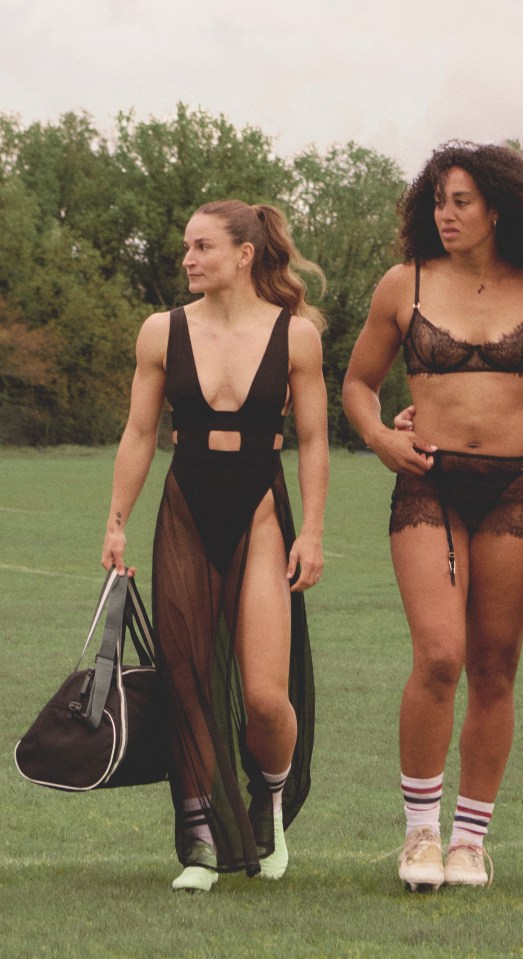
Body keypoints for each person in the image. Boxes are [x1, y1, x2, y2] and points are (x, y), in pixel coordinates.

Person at [342, 141, 523, 890]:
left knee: (495, 666)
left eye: (460, 201)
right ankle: (420, 834)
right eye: (437, 201)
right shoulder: (404, 282)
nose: (444, 214)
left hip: (516, 485)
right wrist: (382, 439)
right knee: (440, 654)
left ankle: (469, 841)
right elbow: (357, 382)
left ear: (497, 208)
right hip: (428, 482)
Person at [101, 200, 329, 892]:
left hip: (262, 508)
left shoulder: (297, 337)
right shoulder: (161, 331)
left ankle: (270, 805)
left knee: (263, 696)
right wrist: (116, 521)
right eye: (185, 247)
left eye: (201, 246)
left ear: (244, 254)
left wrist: (312, 531)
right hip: (185, 505)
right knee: (188, 680)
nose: (188, 259)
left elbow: (316, 440)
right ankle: (200, 840)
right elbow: (141, 433)